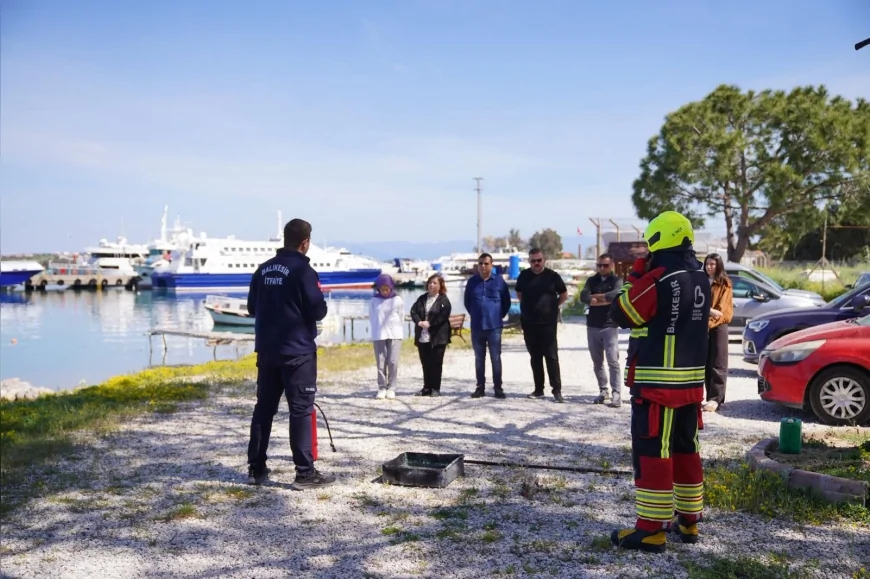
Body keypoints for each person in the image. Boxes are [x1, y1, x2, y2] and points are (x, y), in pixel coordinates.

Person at [608, 210, 711, 553]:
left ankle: (651, 529)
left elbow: (623, 311)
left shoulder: (659, 278)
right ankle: (689, 520)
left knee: (653, 451)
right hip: (692, 385)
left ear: (656, 240)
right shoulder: (700, 276)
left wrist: (636, 273)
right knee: (687, 448)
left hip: (657, 387)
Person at [245, 218, 335, 490]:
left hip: (268, 351)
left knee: (264, 410)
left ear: (284, 239)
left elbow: (251, 308)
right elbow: (318, 310)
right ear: (305, 243)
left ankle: (256, 468)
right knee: (300, 410)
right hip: (297, 352)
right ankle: (304, 474)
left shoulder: (262, 270)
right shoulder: (303, 272)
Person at [515, 248, 568, 403]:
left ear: (544, 260)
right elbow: (519, 293)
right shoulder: (524, 276)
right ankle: (539, 389)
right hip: (529, 323)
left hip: (548, 324)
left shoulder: (553, 276)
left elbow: (564, 295)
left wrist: (553, 307)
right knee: (535, 357)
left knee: (551, 357)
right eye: (533, 261)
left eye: (539, 260)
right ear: (529, 261)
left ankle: (557, 390)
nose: (536, 263)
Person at [464, 253, 512, 399]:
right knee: (479, 358)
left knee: (495, 358)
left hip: (494, 327)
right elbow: (467, 302)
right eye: (480, 263)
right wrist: (476, 313)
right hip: (477, 326)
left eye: (486, 263)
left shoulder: (499, 282)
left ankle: (498, 388)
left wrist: (497, 315)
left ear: (491, 265)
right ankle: (480, 388)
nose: (483, 266)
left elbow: (506, 302)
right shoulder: (472, 282)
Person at [580, 253, 624, 407]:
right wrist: (602, 300)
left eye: (605, 265)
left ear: (611, 265)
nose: (602, 268)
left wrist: (598, 298)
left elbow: (615, 295)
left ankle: (616, 393)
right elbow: (584, 296)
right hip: (592, 325)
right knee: (597, 362)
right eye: (599, 265)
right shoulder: (591, 280)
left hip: (610, 325)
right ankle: (603, 390)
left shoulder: (617, 280)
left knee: (613, 361)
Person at [410, 274, 452, 397]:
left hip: (438, 336)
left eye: (435, 283)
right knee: (425, 362)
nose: (431, 285)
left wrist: (430, 323)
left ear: (440, 286)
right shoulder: (422, 298)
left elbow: (443, 315)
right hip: (422, 335)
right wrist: (419, 322)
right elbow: (414, 311)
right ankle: (426, 387)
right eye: (430, 283)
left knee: (436, 362)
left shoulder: (443, 300)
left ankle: (435, 388)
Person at [703, 253, 733, 412]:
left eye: (713, 264)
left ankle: (716, 399)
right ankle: (709, 397)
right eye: (707, 264)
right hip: (703, 327)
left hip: (718, 326)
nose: (709, 267)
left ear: (718, 265)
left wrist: (708, 316)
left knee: (718, 363)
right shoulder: (701, 281)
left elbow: (722, 312)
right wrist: (708, 311)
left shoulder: (724, 283)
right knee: (706, 363)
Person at [369, 273, 405, 399]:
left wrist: (396, 328)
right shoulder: (374, 300)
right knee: (381, 362)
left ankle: (392, 387)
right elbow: (372, 317)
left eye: (387, 289)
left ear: (391, 288)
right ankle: (382, 387)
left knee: (393, 361)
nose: (385, 291)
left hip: (395, 334)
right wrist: (376, 330)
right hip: (379, 334)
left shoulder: (397, 300)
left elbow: (401, 316)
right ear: (378, 288)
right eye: (382, 289)